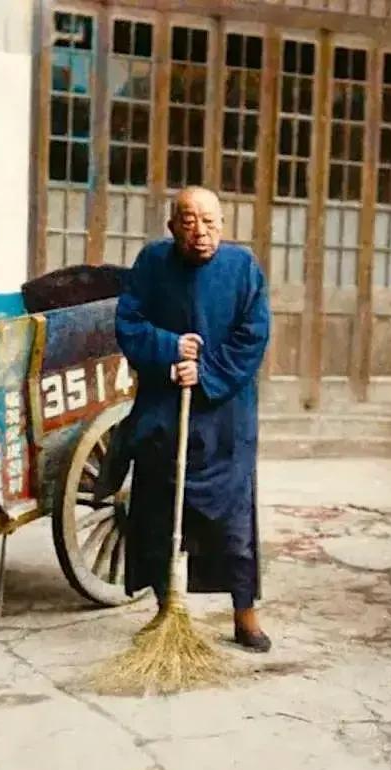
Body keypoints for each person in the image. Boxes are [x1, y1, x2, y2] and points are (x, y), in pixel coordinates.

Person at [114, 185, 272, 653]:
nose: (199, 233)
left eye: (209, 222)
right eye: (188, 222)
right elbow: (128, 322)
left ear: (222, 225)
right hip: (165, 408)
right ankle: (168, 610)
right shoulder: (151, 264)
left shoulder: (242, 269)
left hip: (224, 415)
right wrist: (168, 350)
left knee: (233, 521)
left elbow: (253, 334)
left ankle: (246, 616)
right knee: (161, 512)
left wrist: (204, 373)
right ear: (171, 227)